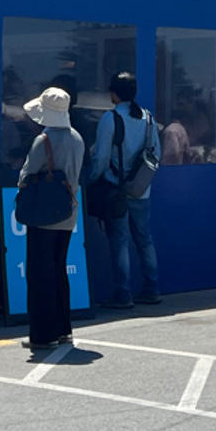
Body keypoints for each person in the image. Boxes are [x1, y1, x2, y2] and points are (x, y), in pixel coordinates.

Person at [87, 72, 161, 309]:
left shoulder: (110, 119)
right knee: (144, 239)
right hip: (141, 191)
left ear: (114, 94)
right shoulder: (148, 118)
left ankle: (123, 294)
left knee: (119, 242)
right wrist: (142, 181)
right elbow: (156, 154)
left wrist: (90, 181)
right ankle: (152, 288)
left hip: (115, 190)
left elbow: (100, 158)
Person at [18, 86, 85, 350]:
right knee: (58, 270)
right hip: (68, 213)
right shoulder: (77, 138)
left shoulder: (43, 141)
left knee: (39, 273)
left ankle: (42, 334)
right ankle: (63, 328)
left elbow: (26, 175)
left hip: (43, 213)